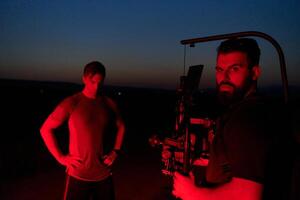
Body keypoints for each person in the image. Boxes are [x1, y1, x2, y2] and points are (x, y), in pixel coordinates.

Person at [172, 38, 293, 200]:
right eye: (220, 69)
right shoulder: (244, 111)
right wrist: (204, 157)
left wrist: (191, 193)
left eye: (234, 69)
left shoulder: (247, 118)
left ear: (255, 72)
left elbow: (247, 195)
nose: (225, 77)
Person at [40, 61, 125, 200]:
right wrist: (60, 157)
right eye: (92, 82)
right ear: (84, 78)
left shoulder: (108, 103)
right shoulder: (72, 102)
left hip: (103, 174)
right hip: (77, 175)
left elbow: (121, 126)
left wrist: (116, 151)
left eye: (100, 82)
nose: (96, 87)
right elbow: (45, 129)